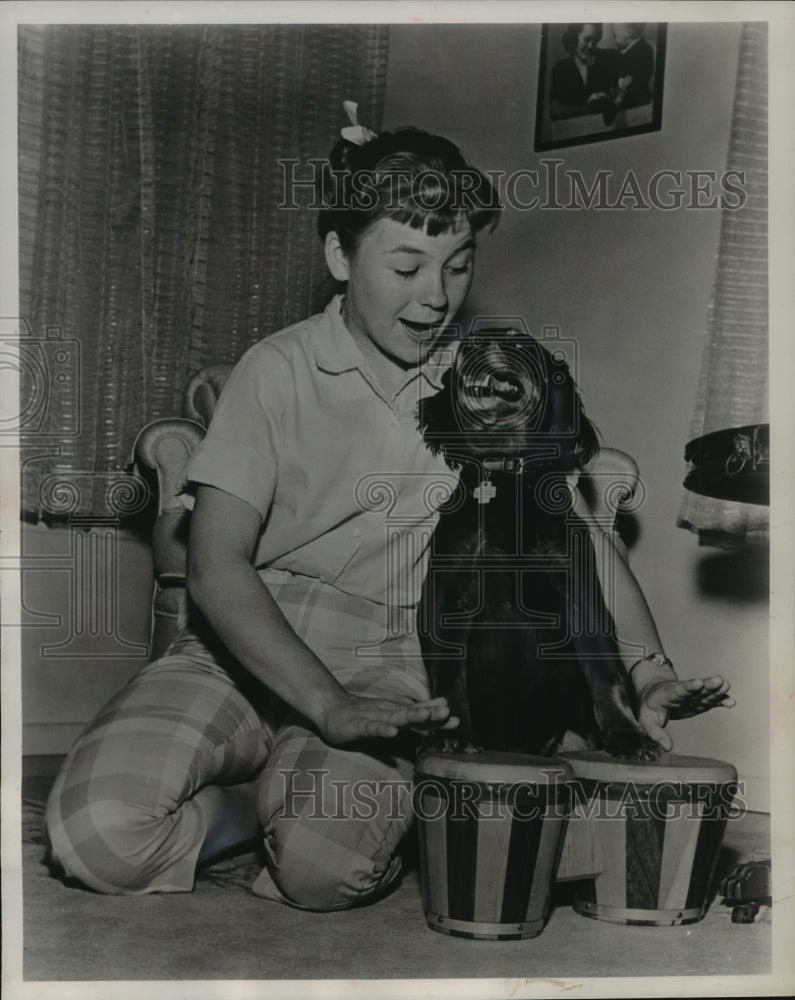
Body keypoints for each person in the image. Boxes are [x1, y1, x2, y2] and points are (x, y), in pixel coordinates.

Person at [44, 108, 734, 911]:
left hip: (389, 658)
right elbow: (215, 564)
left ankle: (276, 807)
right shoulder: (276, 369)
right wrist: (325, 705)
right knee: (98, 837)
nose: (434, 297)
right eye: (406, 267)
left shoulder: (482, 379)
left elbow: (574, 539)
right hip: (242, 642)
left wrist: (646, 673)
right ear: (340, 256)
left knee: (324, 873)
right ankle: (242, 807)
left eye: (457, 267)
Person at [549, 23, 620, 121]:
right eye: (587, 39)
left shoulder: (609, 58)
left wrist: (610, 98)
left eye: (595, 40)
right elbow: (555, 111)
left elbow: (621, 92)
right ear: (574, 38)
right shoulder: (560, 68)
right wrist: (589, 107)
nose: (591, 46)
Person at [611, 23, 655, 110]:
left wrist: (631, 77)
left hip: (636, 96)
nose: (613, 32)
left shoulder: (644, 49)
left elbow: (643, 71)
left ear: (629, 32)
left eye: (615, 30)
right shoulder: (622, 50)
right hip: (623, 93)